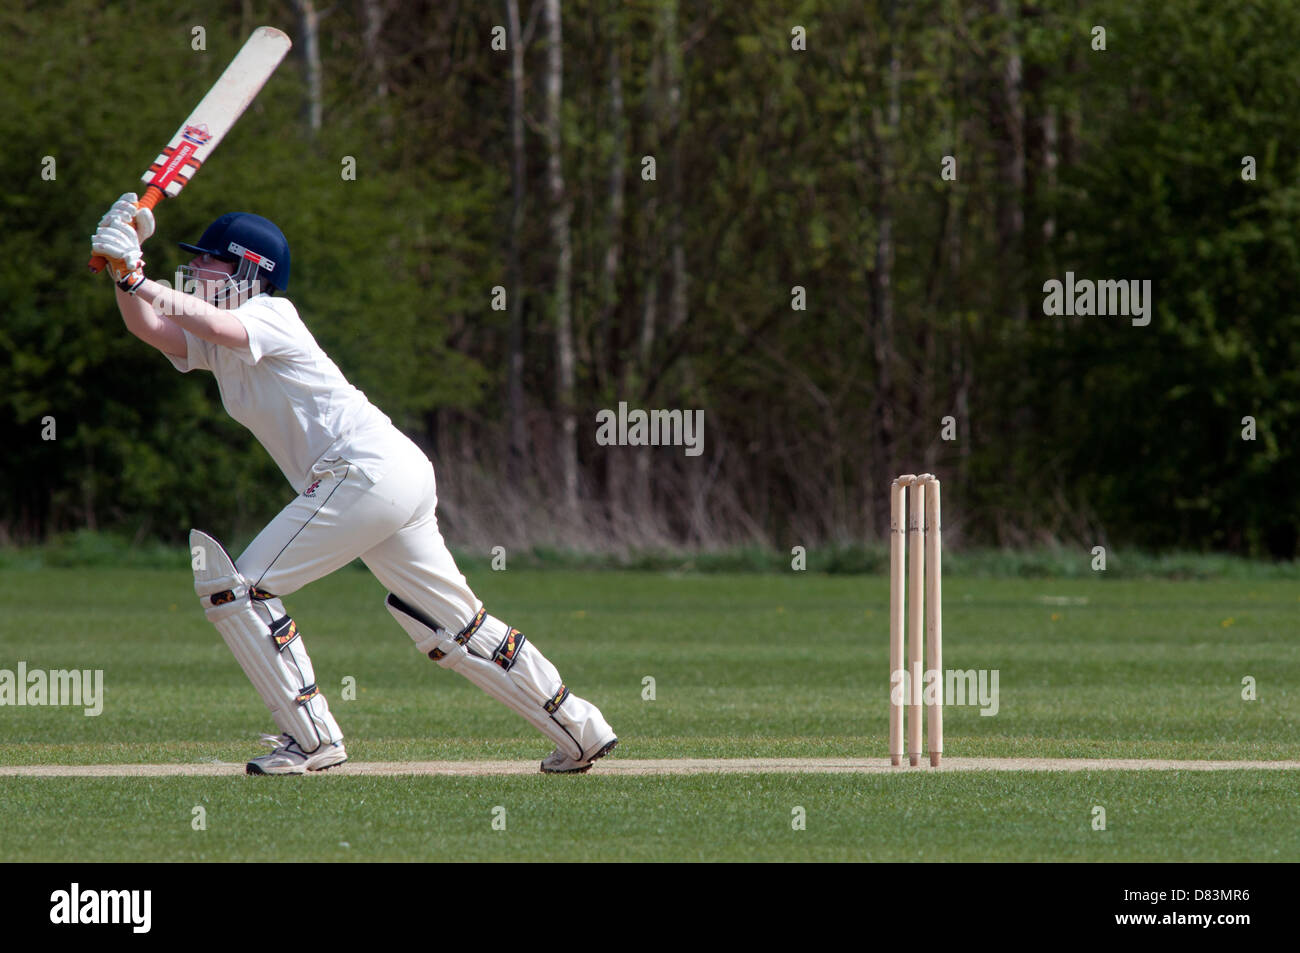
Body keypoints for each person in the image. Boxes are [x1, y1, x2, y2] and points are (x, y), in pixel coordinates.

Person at [89, 194, 618, 775]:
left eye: (210, 261)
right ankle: (581, 730)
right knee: (452, 626)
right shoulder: (219, 345)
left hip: (361, 472)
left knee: (238, 589)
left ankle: (312, 740)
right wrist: (121, 273)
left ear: (246, 269)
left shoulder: (270, 316)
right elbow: (154, 328)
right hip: (391, 474)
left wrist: (140, 274)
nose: (198, 271)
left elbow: (210, 319)